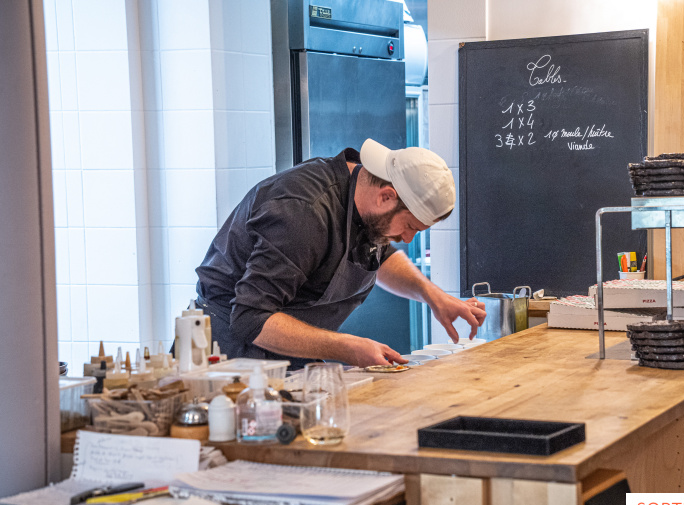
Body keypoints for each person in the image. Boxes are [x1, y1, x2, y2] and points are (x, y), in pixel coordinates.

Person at [194, 139, 486, 368]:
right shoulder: (303, 213)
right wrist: (347, 347)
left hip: (284, 354)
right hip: (229, 355)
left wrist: (431, 295)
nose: (408, 238)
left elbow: (378, 255)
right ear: (386, 196)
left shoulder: (364, 195)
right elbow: (250, 317)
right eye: (410, 227)